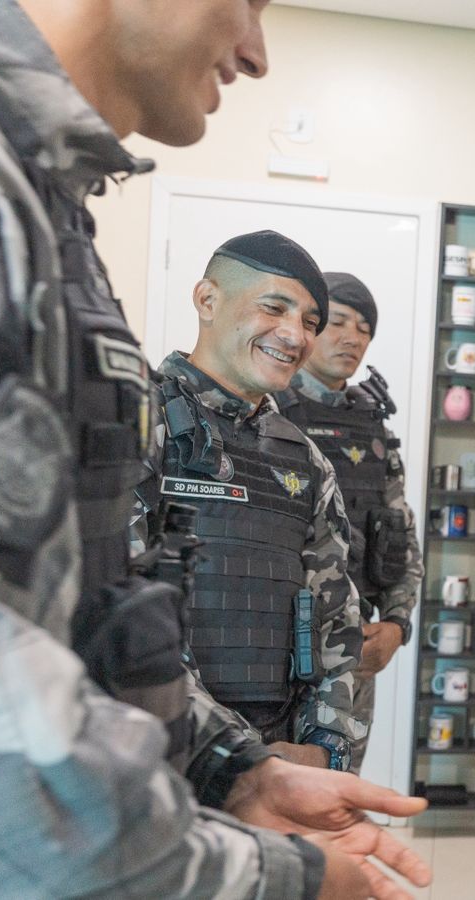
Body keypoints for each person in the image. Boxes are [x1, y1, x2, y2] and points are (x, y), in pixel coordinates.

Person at [0, 2, 427, 896]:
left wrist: (238, 771)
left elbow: (81, 611)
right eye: (248, 1)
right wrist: (269, 877)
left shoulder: (30, 198)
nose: (256, 52)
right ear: (209, 300)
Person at [144, 231, 368, 771]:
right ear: (207, 299)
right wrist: (238, 761)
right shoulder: (136, 423)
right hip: (159, 763)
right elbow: (120, 618)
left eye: (310, 321)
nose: (295, 335)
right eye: (274, 307)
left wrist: (324, 751)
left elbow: (336, 619)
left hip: (283, 770)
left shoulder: (305, 460)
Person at [275, 271, 423, 773]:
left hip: (354, 654)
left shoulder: (374, 429)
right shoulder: (264, 409)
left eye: (364, 329)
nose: (352, 338)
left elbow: (403, 539)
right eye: (338, 322)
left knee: (341, 789)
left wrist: (397, 625)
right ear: (310, 327)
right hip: (274, 652)